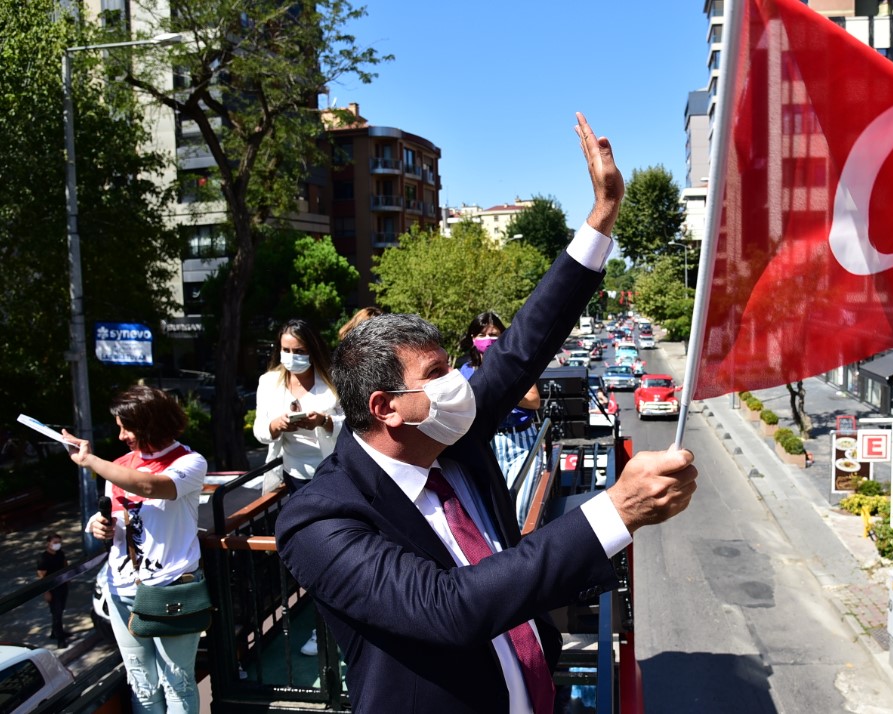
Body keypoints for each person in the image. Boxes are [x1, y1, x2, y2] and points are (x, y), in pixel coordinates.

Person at [276, 113, 698, 714]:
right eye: (437, 376)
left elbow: (524, 344)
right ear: (386, 408)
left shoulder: (450, 433)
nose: (458, 385)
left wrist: (602, 216)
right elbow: (450, 607)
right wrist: (617, 509)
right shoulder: (318, 521)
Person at [64, 385, 207, 714]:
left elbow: (150, 486)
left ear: (150, 424)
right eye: (118, 427)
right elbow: (116, 515)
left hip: (170, 588)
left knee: (178, 680)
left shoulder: (189, 462)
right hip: (121, 589)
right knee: (140, 680)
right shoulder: (117, 466)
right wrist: (98, 526)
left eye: (126, 427)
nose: (121, 436)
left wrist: (90, 461)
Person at [458, 311, 542, 526]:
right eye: (482, 335)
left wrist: (503, 387)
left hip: (521, 441)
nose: (489, 340)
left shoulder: (518, 367)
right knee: (494, 514)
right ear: (472, 339)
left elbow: (534, 401)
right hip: (489, 444)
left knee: (520, 510)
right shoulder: (465, 371)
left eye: (494, 334)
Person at [253, 318, 343, 494]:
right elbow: (260, 431)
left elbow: (354, 424)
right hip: (293, 475)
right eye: (286, 350)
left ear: (313, 350)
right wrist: (276, 425)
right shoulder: (268, 382)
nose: (291, 357)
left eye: (299, 351)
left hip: (334, 470)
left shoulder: (334, 381)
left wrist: (324, 421)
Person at [36, 532, 69, 648]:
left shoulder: (60, 553)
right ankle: (60, 639)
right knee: (56, 613)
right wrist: (46, 592)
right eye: (55, 543)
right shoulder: (43, 558)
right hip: (52, 589)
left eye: (59, 542)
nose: (57, 545)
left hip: (62, 586)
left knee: (59, 611)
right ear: (48, 543)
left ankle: (54, 633)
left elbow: (65, 565)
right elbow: (41, 577)